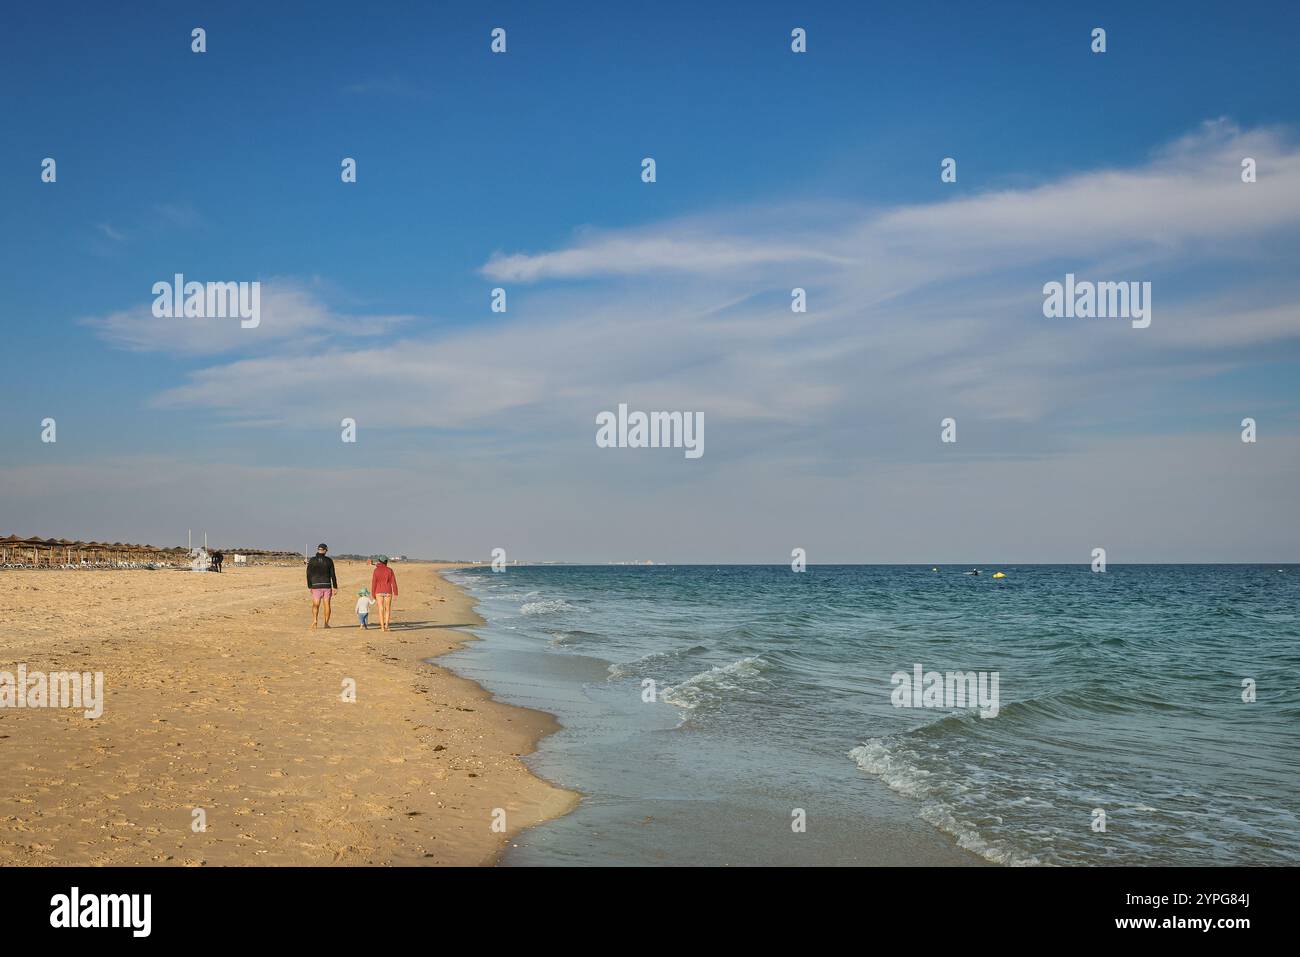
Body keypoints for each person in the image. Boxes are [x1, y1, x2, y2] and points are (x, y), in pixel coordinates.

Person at [307, 543, 338, 629]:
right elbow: (333, 574)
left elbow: (308, 573)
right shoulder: (329, 560)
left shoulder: (312, 560)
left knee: (315, 604)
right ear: (325, 550)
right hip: (326, 585)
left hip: (315, 585)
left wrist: (310, 586)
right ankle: (326, 623)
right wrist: (335, 586)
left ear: (318, 550)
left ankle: (315, 620)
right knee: (327, 605)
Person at [370, 556, 398, 631]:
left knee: (381, 609)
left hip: (378, 591)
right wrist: (396, 593)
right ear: (386, 562)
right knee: (387, 609)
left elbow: (374, 583)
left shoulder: (376, 570)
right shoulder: (390, 570)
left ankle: (382, 627)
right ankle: (387, 626)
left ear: (379, 561)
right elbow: (393, 582)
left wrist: (373, 594)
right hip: (388, 591)